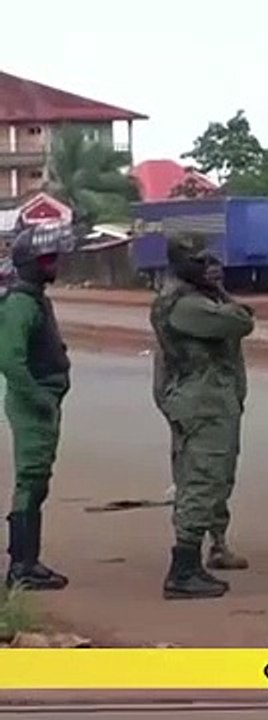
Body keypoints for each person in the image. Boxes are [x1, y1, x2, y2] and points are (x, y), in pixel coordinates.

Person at [150, 234, 255, 600]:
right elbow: (242, 321)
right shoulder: (186, 306)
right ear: (179, 263)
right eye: (196, 261)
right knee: (202, 481)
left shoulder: (184, 299)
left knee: (205, 479)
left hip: (204, 402)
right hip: (203, 404)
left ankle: (191, 564)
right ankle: (183, 569)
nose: (204, 267)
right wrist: (222, 294)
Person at [0, 227, 70, 591]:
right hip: (34, 402)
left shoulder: (35, 298)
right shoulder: (21, 303)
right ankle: (22, 566)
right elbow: (10, 361)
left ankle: (27, 561)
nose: (54, 264)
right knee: (31, 479)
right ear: (30, 264)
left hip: (43, 397)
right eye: (47, 259)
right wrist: (40, 399)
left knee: (38, 479)